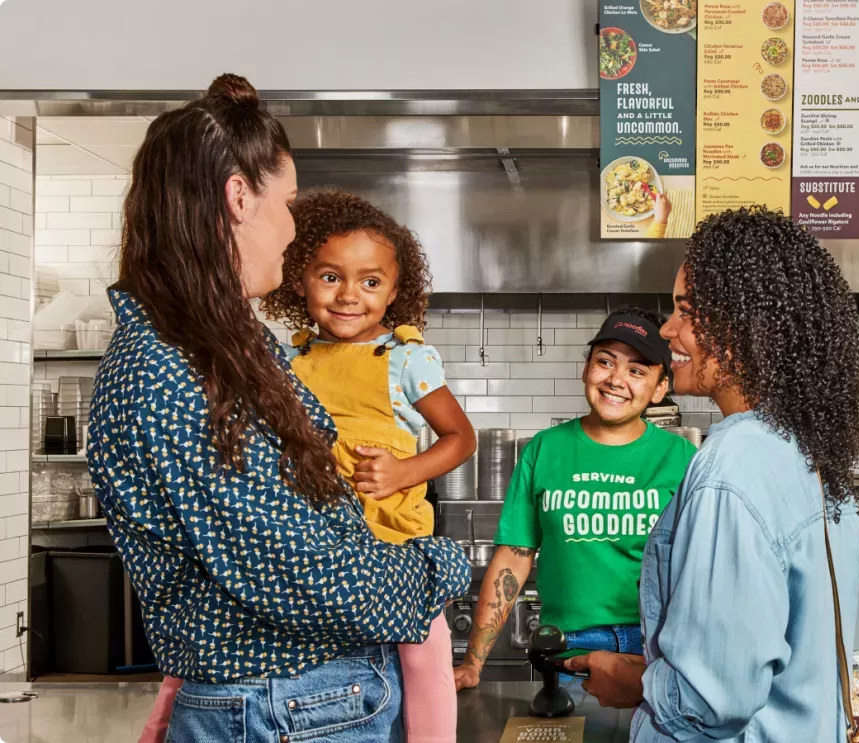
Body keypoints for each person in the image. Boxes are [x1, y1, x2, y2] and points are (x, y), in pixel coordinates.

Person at [89, 74, 469, 743]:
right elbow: (300, 571)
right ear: (240, 196)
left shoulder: (209, 347)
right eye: (288, 202)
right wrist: (440, 564)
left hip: (293, 704)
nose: (293, 228)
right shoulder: (175, 370)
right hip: (289, 708)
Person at [564, 206, 859, 742]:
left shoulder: (734, 463)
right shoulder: (804, 450)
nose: (668, 329)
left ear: (742, 322)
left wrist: (631, 681)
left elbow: (710, 698)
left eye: (686, 309)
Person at [262, 188, 476, 743]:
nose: (348, 295)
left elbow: (460, 437)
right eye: (330, 276)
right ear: (298, 280)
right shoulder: (292, 358)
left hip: (392, 543)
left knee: (424, 660)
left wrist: (406, 472)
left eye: (370, 281)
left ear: (394, 292)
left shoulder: (407, 357)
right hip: (319, 546)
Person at [453, 307, 698, 691]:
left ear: (660, 387)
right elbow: (513, 558)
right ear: (587, 367)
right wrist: (473, 662)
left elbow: (700, 566)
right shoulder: (545, 450)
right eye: (606, 362)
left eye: (637, 370)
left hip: (656, 649)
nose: (616, 379)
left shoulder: (683, 458)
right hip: (571, 648)